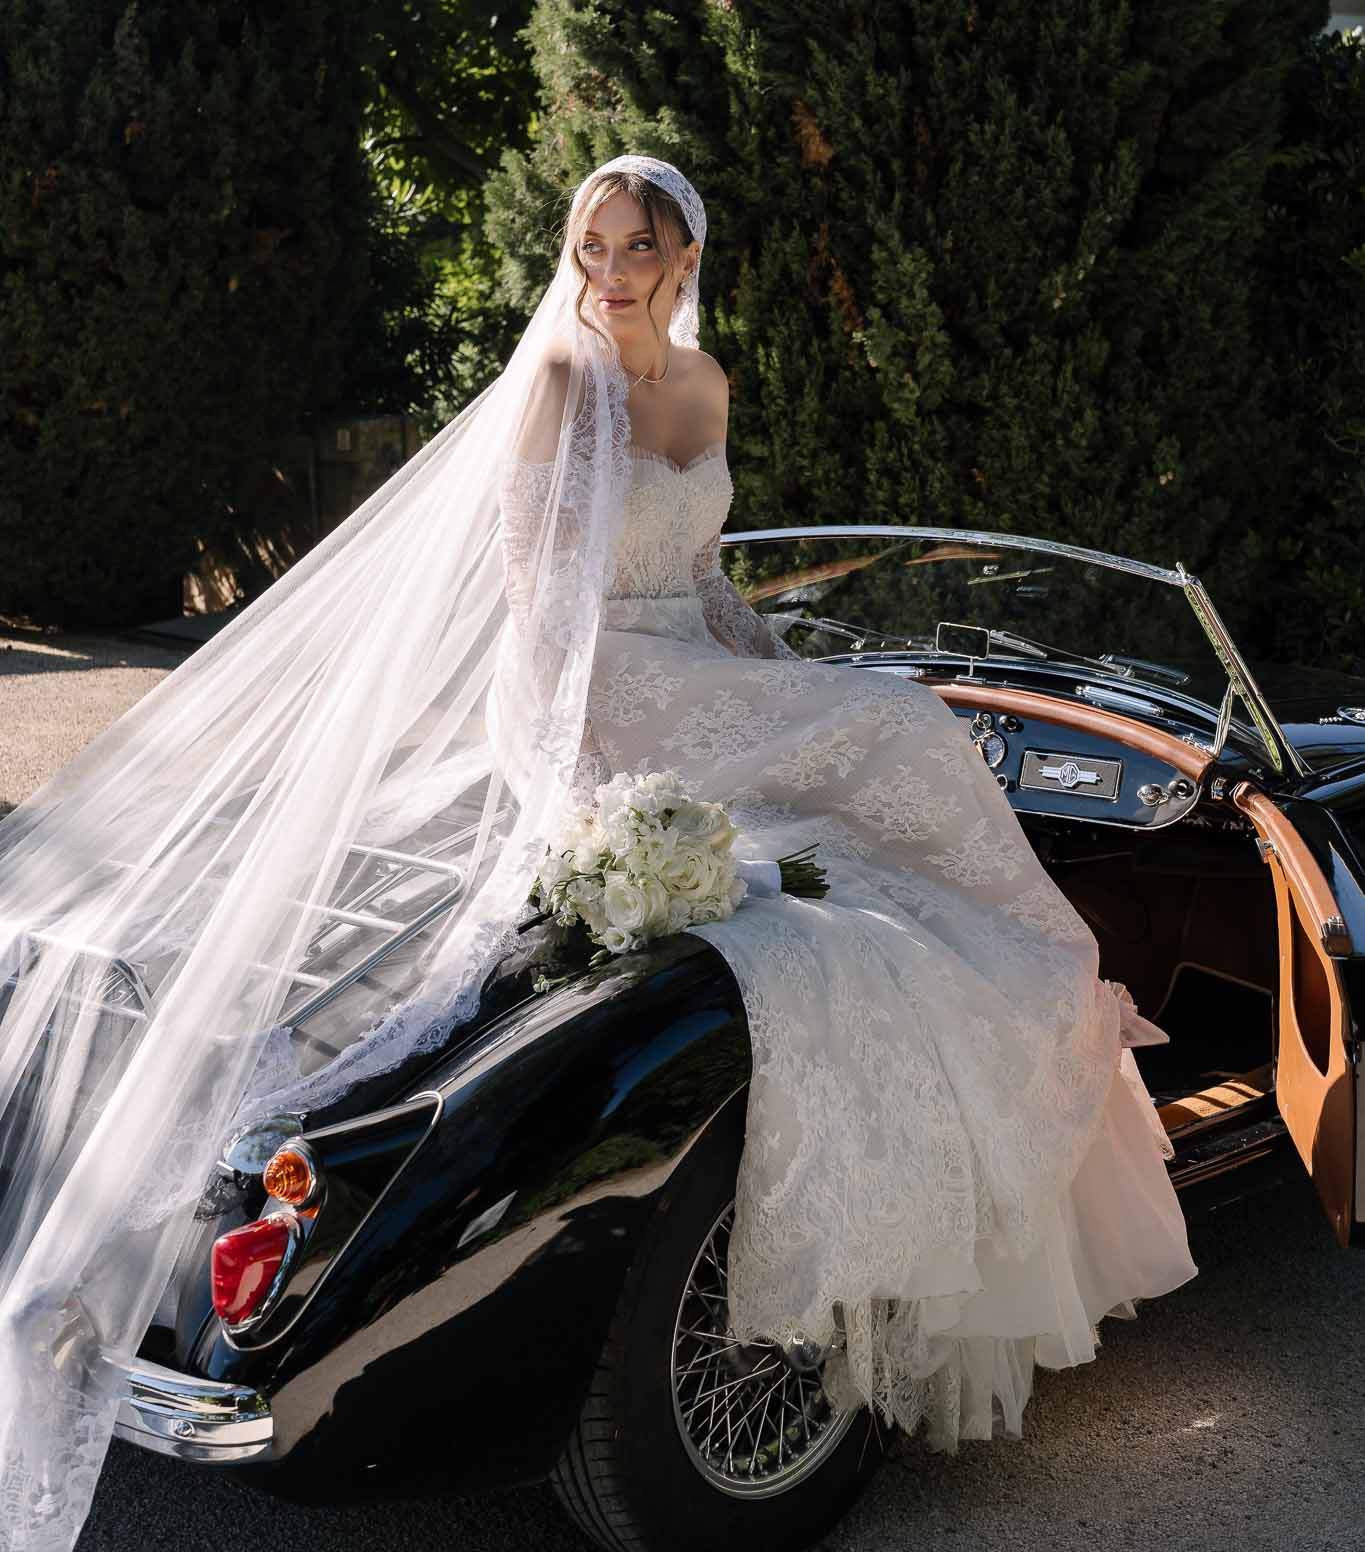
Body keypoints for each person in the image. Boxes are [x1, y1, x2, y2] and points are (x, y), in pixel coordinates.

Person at [0, 153, 1193, 1552]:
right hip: (599, 690)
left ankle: (1029, 972)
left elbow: (697, 575)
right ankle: (1036, 963)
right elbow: (531, 598)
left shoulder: (701, 386)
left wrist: (778, 663)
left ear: (683, 254)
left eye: (637, 245)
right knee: (910, 739)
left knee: (891, 721)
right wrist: (567, 768)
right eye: (592, 242)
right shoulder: (556, 388)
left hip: (693, 662)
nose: (610, 267)